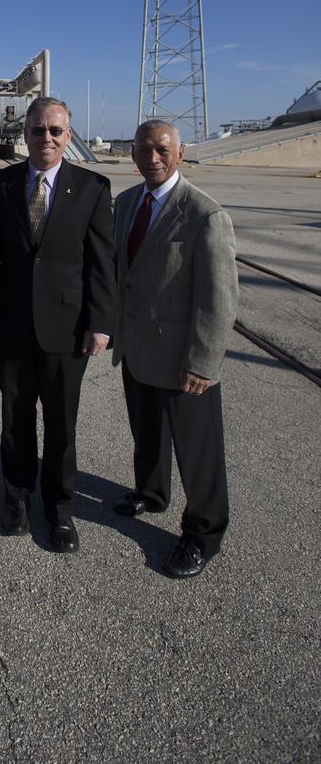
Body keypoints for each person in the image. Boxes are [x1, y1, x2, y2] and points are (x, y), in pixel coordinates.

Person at [0, 97, 115, 552]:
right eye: (38, 130)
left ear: (68, 137)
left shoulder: (93, 187)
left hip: (67, 329)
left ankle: (60, 510)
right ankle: (16, 498)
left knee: (61, 426)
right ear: (26, 135)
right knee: (15, 420)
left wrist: (100, 322)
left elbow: (101, 263)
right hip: (14, 326)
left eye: (56, 131)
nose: (47, 138)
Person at [112, 119, 238, 578]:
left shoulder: (205, 215)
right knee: (147, 434)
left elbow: (219, 300)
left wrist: (204, 362)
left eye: (162, 149)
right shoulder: (125, 204)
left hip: (185, 359)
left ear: (180, 154)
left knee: (198, 451)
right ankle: (150, 492)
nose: (153, 157)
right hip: (138, 349)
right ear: (133, 154)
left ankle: (204, 532)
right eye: (144, 149)